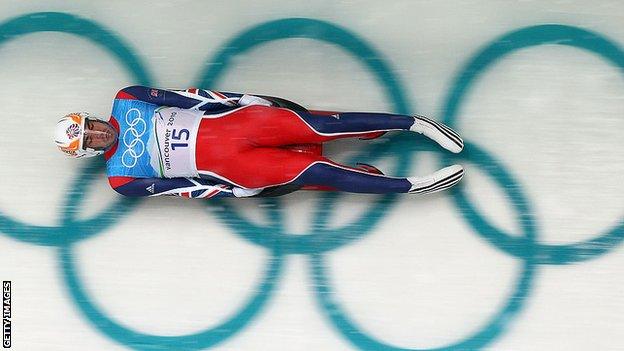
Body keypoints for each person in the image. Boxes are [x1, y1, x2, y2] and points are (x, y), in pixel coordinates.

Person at [54, 86, 464, 199]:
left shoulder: (127, 99)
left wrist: (238, 100)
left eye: (89, 125)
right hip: (231, 169)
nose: (96, 132)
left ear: (90, 118)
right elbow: (178, 189)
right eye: (89, 138)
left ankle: (415, 124)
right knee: (317, 171)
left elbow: (187, 96)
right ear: (90, 150)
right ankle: (409, 185)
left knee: (319, 127)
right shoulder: (120, 179)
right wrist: (227, 190)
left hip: (236, 123)